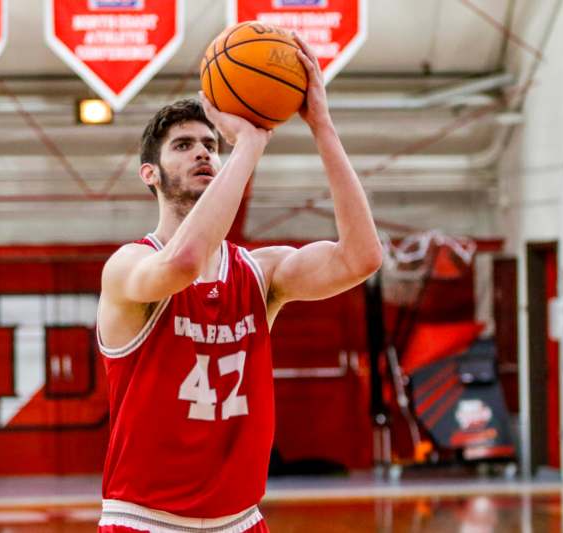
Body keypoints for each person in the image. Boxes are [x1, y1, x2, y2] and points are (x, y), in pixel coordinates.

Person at [96, 36, 383, 533]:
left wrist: (322, 127)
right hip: (145, 521)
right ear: (151, 174)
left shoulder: (259, 273)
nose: (204, 154)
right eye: (183, 146)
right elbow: (184, 262)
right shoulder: (128, 266)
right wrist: (251, 141)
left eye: (211, 144)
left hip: (240, 521)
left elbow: (361, 258)